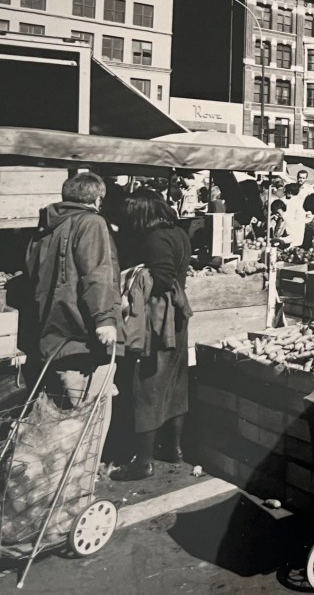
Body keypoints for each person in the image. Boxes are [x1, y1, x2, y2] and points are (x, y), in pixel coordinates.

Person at [23, 173, 122, 450]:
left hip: (52, 336)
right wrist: (104, 319)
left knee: (61, 418)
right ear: (98, 198)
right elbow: (97, 273)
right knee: (88, 419)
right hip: (82, 337)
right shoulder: (91, 222)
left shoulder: (46, 226)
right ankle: (78, 486)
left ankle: (60, 481)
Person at [113, 189, 193, 480]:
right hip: (178, 321)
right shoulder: (178, 233)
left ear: (142, 213)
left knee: (146, 387)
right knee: (174, 386)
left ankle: (143, 462)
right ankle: (173, 449)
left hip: (159, 324)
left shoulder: (154, 238)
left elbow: (161, 278)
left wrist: (129, 276)